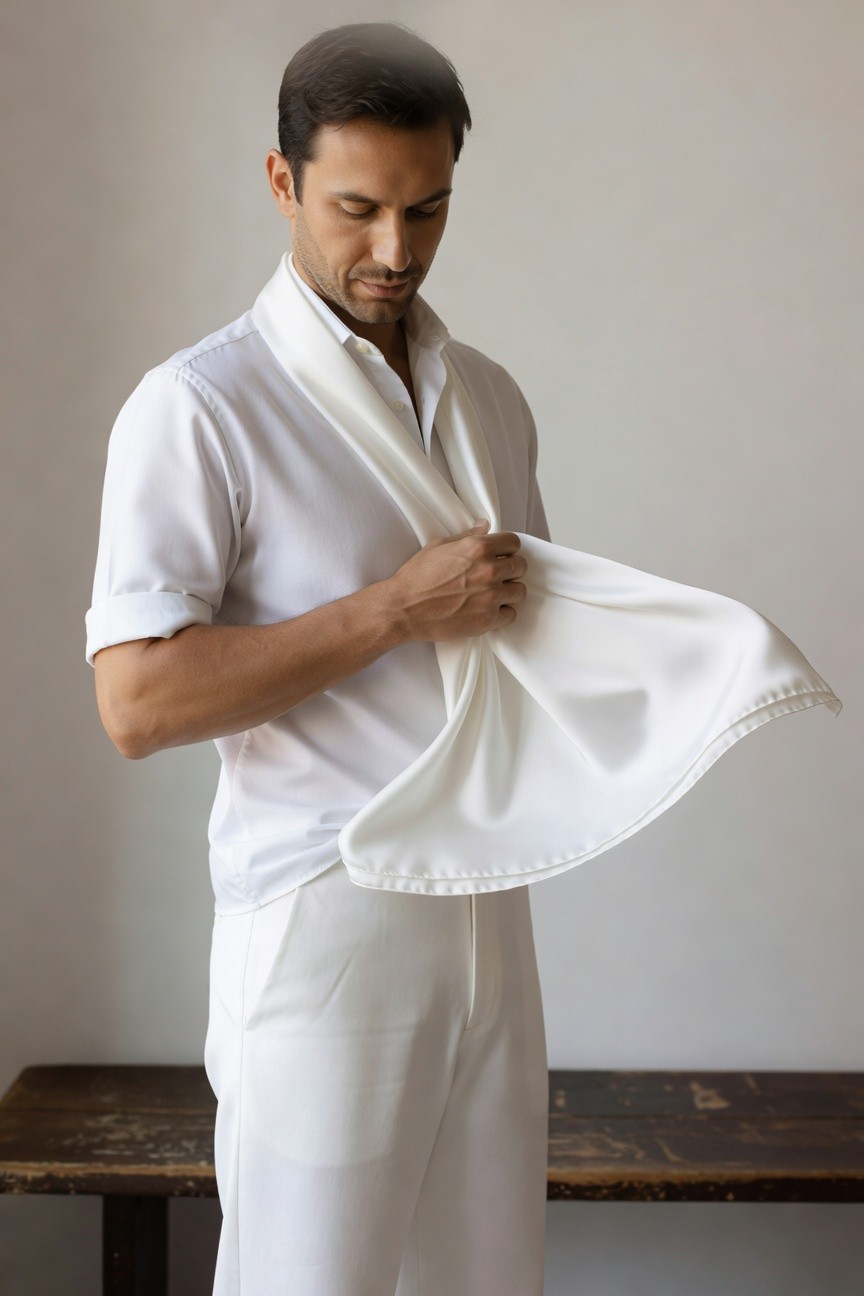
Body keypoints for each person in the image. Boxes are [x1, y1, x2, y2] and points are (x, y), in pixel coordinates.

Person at [87, 22, 550, 1296]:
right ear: (282, 182)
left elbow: (531, 640)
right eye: (357, 208)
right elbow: (134, 703)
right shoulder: (198, 407)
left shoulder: (491, 399)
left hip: (489, 915)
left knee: (487, 1282)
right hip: (321, 911)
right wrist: (392, 611)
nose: (394, 252)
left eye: (428, 210)